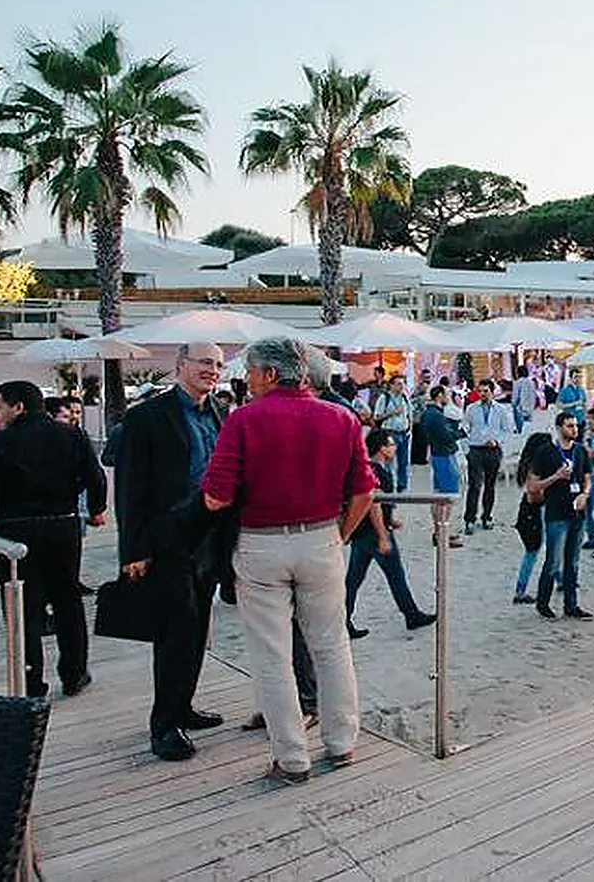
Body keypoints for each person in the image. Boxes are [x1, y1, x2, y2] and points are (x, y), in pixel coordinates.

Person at [201, 336, 376, 785]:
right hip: (320, 538)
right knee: (331, 644)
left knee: (272, 654)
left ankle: (292, 757)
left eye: (252, 371)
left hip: (262, 544)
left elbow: (216, 497)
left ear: (271, 374)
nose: (247, 379)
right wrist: (339, 534)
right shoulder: (341, 417)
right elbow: (363, 489)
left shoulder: (243, 419)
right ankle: (341, 742)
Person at [115, 342, 231, 762]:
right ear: (180, 365)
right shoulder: (147, 416)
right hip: (167, 538)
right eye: (204, 362)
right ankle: (163, 726)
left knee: (198, 629)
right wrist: (134, 549)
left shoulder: (218, 412)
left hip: (209, 538)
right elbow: (130, 488)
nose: (212, 370)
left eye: (217, 364)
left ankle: (183, 706)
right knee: (173, 633)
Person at [0, 381, 108, 698]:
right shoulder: (71, 435)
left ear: (18, 406)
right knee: (68, 600)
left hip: (17, 529)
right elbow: (96, 477)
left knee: (25, 605)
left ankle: (32, 679)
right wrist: (95, 509)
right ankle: (75, 673)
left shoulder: (1, 442)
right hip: (62, 526)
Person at [346, 428, 436, 638]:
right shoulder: (376, 470)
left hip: (362, 533)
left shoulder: (369, 468)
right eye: (391, 444)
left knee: (353, 580)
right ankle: (411, 614)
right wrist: (383, 535)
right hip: (373, 532)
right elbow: (373, 504)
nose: (394, 447)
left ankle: (343, 619)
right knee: (395, 575)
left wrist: (390, 519)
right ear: (382, 448)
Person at [529, 410, 594, 621]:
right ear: (559, 428)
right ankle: (543, 602)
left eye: (575, 426)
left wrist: (585, 493)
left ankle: (571, 605)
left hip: (577, 511)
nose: (574, 429)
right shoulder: (546, 452)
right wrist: (556, 477)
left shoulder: (580, 451)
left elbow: (587, 477)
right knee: (553, 561)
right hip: (556, 512)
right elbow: (532, 486)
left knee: (573, 561)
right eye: (569, 426)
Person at [462, 379, 512, 533]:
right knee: (475, 485)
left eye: (485, 391)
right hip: (476, 449)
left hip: (493, 451)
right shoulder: (471, 408)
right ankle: (470, 519)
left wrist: (497, 441)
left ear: (492, 391)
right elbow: (464, 428)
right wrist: (467, 449)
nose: (482, 394)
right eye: (480, 391)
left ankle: (487, 516)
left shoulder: (501, 409)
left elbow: (507, 430)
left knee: (490, 485)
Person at [511, 432, 553, 604]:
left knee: (539, 550)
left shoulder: (528, 464)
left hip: (528, 512)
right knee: (534, 552)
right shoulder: (535, 468)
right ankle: (520, 591)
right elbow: (533, 495)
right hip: (534, 512)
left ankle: (557, 580)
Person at [420, 384, 464, 549]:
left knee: (438, 496)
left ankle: (440, 532)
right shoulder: (436, 415)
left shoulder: (429, 414)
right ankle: (441, 533)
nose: (449, 398)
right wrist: (461, 433)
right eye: (446, 394)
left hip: (437, 454)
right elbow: (446, 436)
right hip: (444, 455)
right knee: (447, 498)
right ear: (439, 395)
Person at [370, 373, 413, 490]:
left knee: (404, 461)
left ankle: (402, 486)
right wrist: (392, 412)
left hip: (403, 433)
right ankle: (389, 485)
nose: (401, 387)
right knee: (389, 462)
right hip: (390, 433)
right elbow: (376, 417)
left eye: (403, 384)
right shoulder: (384, 398)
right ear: (391, 385)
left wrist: (409, 428)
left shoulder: (404, 398)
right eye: (398, 384)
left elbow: (408, 414)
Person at [512, 365, 539, 431]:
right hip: (530, 406)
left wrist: (513, 404)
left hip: (520, 407)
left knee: (520, 426)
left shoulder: (517, 383)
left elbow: (515, 397)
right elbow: (534, 394)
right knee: (528, 424)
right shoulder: (532, 382)